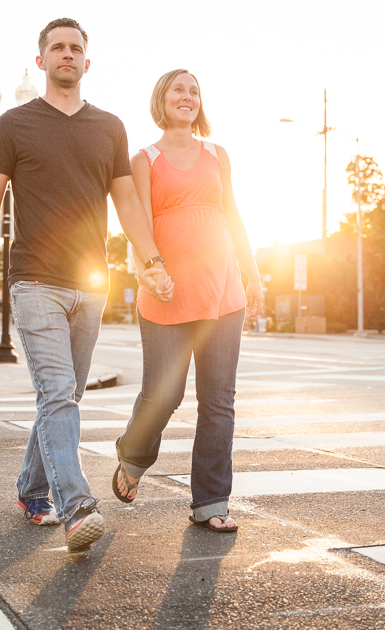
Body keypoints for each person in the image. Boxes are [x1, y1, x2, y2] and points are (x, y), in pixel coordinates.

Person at [0, 18, 170, 553]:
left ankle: (32, 492)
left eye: (76, 48)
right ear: (41, 61)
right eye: (57, 47)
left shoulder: (109, 127)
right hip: (34, 281)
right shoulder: (13, 123)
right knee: (57, 395)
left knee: (65, 398)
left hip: (90, 282)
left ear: (87, 62)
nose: (67, 54)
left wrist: (151, 260)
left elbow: (126, 201)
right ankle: (76, 508)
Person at [113, 69, 264, 533]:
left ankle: (211, 503)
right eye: (179, 89)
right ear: (162, 99)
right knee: (165, 393)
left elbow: (233, 214)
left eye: (194, 90)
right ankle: (133, 458)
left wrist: (252, 272)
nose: (188, 96)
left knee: (218, 399)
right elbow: (135, 223)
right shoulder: (145, 159)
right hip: (168, 293)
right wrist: (147, 271)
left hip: (222, 291)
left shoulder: (218, 154)